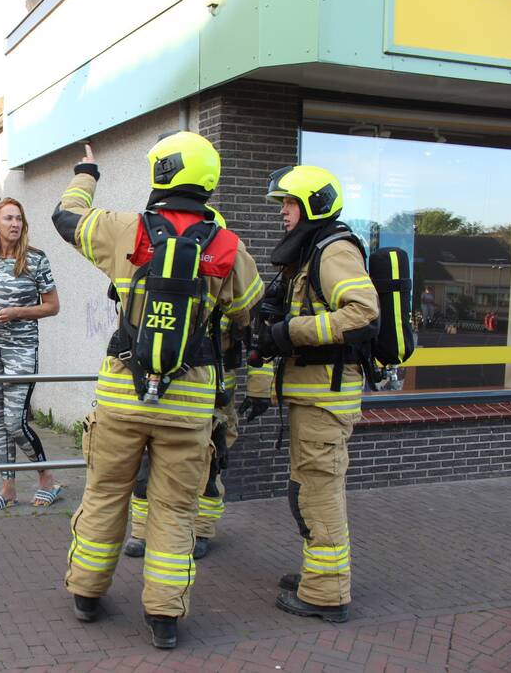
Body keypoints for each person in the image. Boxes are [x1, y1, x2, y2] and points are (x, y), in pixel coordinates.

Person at [51, 133, 263, 649]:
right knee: (173, 509)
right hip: (190, 402)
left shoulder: (123, 228)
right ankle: (164, 618)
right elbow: (243, 320)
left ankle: (85, 594)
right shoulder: (231, 248)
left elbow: (64, 216)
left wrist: (88, 175)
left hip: (123, 392)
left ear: (162, 173)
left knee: (105, 494)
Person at [252, 165, 380, 623]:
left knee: (318, 493)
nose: (282, 212)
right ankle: (318, 574)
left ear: (312, 205)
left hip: (327, 401)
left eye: (288, 203)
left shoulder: (334, 250)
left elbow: (364, 314)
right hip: (311, 398)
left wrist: (291, 331)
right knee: (305, 490)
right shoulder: (309, 253)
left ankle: (327, 594)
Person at [123, 350, 273, 560]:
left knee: (209, 465)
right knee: (148, 462)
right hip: (165, 392)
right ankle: (141, 531)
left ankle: (201, 531)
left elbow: (259, 340)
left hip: (215, 396)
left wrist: (260, 388)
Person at [0, 198, 61, 512]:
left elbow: (52, 306)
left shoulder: (36, 260)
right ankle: (7, 489)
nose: (15, 224)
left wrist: (17, 312)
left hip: (21, 348)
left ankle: (47, 478)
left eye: (19, 219)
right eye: (8, 218)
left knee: (14, 421)